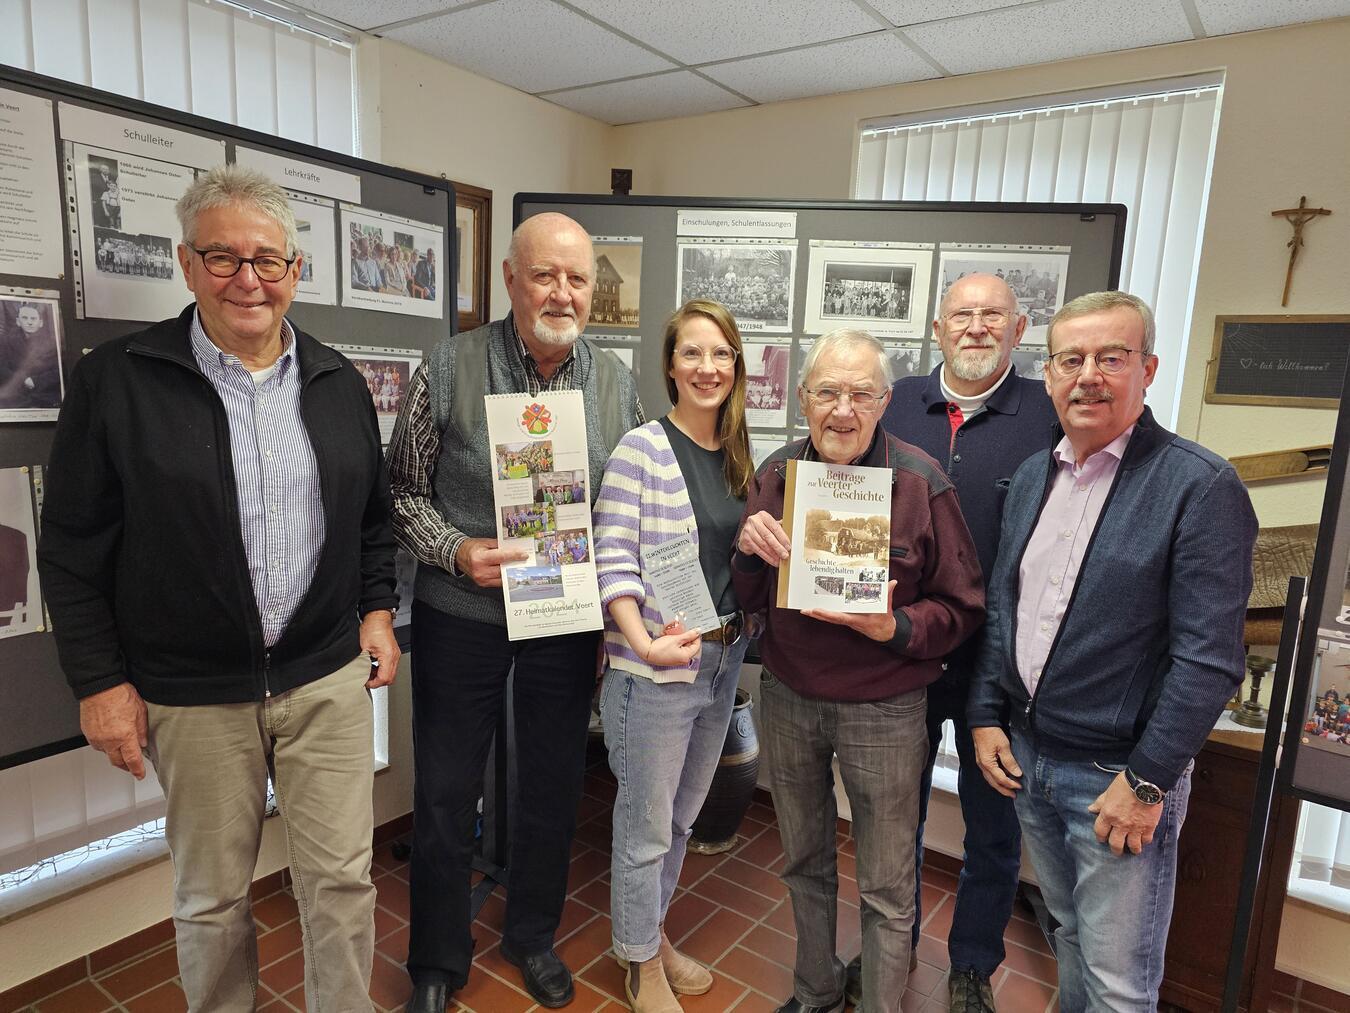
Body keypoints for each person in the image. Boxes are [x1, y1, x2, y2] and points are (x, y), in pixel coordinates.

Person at [37, 164, 400, 1013]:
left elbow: (372, 522)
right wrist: (99, 683)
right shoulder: (118, 381)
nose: (249, 278)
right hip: (192, 696)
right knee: (211, 898)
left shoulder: (338, 383)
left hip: (323, 679)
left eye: (268, 260)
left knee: (342, 883)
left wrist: (377, 609)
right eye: (224, 256)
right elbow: (72, 547)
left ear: (295, 271)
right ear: (187, 263)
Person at [967, 291, 1258, 1012]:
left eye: (1111, 357)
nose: (1088, 375)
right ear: (1049, 372)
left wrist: (1149, 782)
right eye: (1071, 359)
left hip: (1117, 780)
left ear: (1147, 368)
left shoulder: (1200, 486)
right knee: (1068, 935)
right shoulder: (1037, 475)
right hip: (1030, 760)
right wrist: (983, 712)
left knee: (1121, 985)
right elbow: (1006, 607)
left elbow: (1209, 661)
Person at [388, 212, 642, 1012]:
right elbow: (401, 493)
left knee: (552, 785)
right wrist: (460, 551)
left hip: (564, 618)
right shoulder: (448, 365)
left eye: (577, 278)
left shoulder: (615, 383)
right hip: (461, 609)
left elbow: (623, 509)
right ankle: (435, 958)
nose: (562, 292)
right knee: (443, 789)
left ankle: (532, 934)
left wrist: (612, 612)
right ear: (509, 279)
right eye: (545, 275)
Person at [733, 329, 985, 1013]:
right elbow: (749, 598)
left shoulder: (921, 481)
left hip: (886, 707)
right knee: (803, 863)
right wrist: (750, 552)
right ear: (803, 398)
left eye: (859, 394)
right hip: (789, 698)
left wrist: (896, 626)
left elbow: (964, 607)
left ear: (884, 401)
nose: (842, 409)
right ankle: (814, 992)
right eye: (826, 392)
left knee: (886, 882)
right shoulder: (778, 476)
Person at [871, 273, 1057, 1011]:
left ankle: (974, 965)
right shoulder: (899, 402)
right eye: (962, 316)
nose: (976, 328)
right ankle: (893, 946)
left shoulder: (1048, 413)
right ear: (938, 328)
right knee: (896, 821)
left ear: (1018, 331)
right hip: (904, 651)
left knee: (992, 827)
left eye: (993, 317)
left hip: (1002, 670)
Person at [592, 300, 755, 1013]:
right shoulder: (642, 448)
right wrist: (641, 640)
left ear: (736, 366)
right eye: (692, 353)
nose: (707, 367)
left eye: (720, 354)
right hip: (653, 671)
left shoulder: (744, 456)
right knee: (645, 827)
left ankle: (649, 935)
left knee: (683, 820)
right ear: (670, 365)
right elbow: (612, 559)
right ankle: (639, 964)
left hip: (720, 663)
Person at [0, 303, 63, 410]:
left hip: (45, 395)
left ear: (41, 323)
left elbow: (58, 372)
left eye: (33, 319)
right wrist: (23, 380)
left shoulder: (51, 344)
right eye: (25, 318)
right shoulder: (7, 343)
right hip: (16, 395)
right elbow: (2, 367)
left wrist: (36, 381)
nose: (29, 322)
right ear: (18, 322)